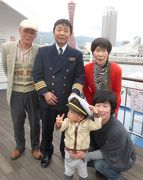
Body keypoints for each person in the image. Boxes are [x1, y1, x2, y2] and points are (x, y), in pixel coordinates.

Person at [33, 19, 84, 168]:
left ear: (70, 34)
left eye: (65, 30)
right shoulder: (43, 51)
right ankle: (46, 152)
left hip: (67, 101)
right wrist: (45, 93)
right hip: (48, 99)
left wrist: (74, 94)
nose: (62, 33)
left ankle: (64, 150)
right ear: (54, 31)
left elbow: (79, 77)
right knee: (47, 129)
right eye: (59, 29)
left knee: (67, 130)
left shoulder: (77, 54)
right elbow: (37, 74)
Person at [71, 90, 136, 180]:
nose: (101, 110)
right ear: (93, 106)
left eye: (105, 106)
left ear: (111, 108)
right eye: (98, 105)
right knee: (81, 156)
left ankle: (116, 177)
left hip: (124, 158)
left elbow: (105, 153)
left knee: (99, 164)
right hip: (107, 149)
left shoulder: (116, 130)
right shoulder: (92, 120)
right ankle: (105, 170)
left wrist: (85, 155)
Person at [2, 19, 41, 160]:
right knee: (17, 121)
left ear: (35, 35)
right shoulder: (7, 48)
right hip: (16, 92)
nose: (29, 35)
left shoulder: (39, 49)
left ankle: (35, 147)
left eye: (32, 32)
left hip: (33, 92)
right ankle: (20, 146)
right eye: (26, 31)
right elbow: (6, 69)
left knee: (35, 122)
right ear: (20, 30)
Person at [55, 94, 102, 180]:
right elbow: (60, 129)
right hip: (69, 153)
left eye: (72, 112)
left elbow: (97, 125)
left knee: (83, 172)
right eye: (69, 110)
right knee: (68, 171)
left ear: (81, 116)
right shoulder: (67, 121)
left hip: (82, 154)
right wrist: (58, 124)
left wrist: (96, 115)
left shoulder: (87, 124)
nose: (68, 113)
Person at [83, 37, 122, 116]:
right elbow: (85, 89)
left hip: (110, 107)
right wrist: (93, 104)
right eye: (97, 51)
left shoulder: (116, 69)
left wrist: (113, 111)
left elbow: (117, 93)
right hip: (94, 105)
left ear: (108, 52)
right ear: (93, 52)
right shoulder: (87, 68)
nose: (100, 54)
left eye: (104, 51)